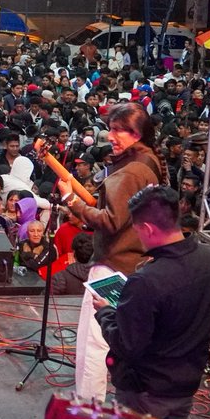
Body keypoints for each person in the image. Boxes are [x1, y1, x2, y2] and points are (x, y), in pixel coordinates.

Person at [92, 186, 210, 419]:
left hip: (146, 390)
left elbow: (127, 345)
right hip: (184, 383)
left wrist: (107, 312)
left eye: (137, 230)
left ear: (148, 228)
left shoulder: (147, 282)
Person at [59, 102, 168, 403]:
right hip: (136, 262)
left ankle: (88, 407)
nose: (111, 136)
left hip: (114, 265)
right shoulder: (147, 162)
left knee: (95, 341)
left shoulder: (132, 171)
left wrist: (72, 200)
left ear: (136, 133)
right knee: (123, 339)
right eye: (111, 129)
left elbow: (110, 220)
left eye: (119, 131)